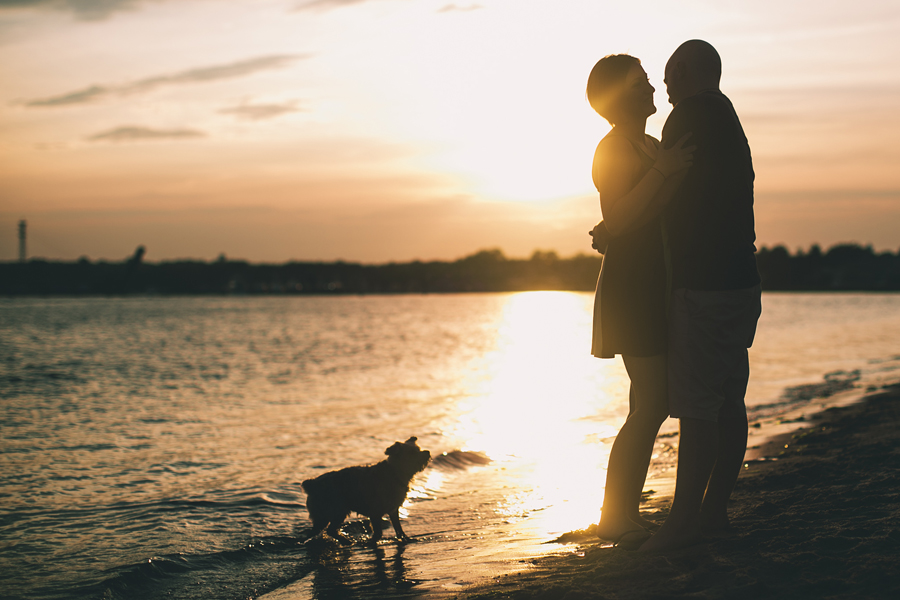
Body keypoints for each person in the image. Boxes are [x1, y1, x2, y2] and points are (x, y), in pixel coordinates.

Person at [639, 40, 762, 552]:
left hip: (703, 283)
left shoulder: (688, 114)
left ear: (686, 71)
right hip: (741, 279)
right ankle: (712, 513)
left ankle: (682, 522)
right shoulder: (728, 116)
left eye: (668, 74)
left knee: (697, 406)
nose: (663, 86)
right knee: (729, 399)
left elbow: (670, 189)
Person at [585, 54, 694, 546]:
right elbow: (623, 218)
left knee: (648, 402)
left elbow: (654, 211)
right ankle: (613, 517)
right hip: (632, 288)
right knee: (651, 403)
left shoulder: (648, 143)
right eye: (640, 82)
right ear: (618, 97)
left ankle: (622, 511)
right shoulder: (612, 148)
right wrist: (665, 170)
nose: (651, 87)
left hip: (656, 281)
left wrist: (667, 172)